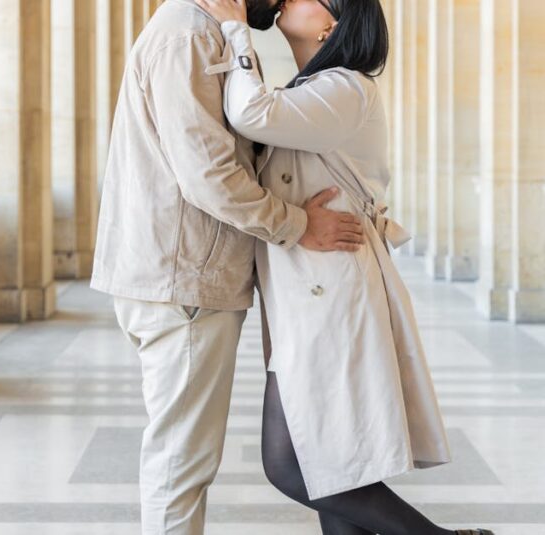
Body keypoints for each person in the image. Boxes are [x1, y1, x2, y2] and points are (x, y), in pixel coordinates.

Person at [189, 0, 497, 534]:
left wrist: (235, 30)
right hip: (312, 286)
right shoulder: (311, 91)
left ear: (332, 23)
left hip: (331, 288)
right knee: (336, 462)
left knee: (293, 465)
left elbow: (250, 115)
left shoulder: (347, 87)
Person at [90, 0, 369, 533]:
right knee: (181, 463)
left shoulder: (201, 30)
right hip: (184, 275)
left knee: (181, 457)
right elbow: (209, 175)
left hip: (182, 272)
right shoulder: (190, 34)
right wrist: (297, 224)